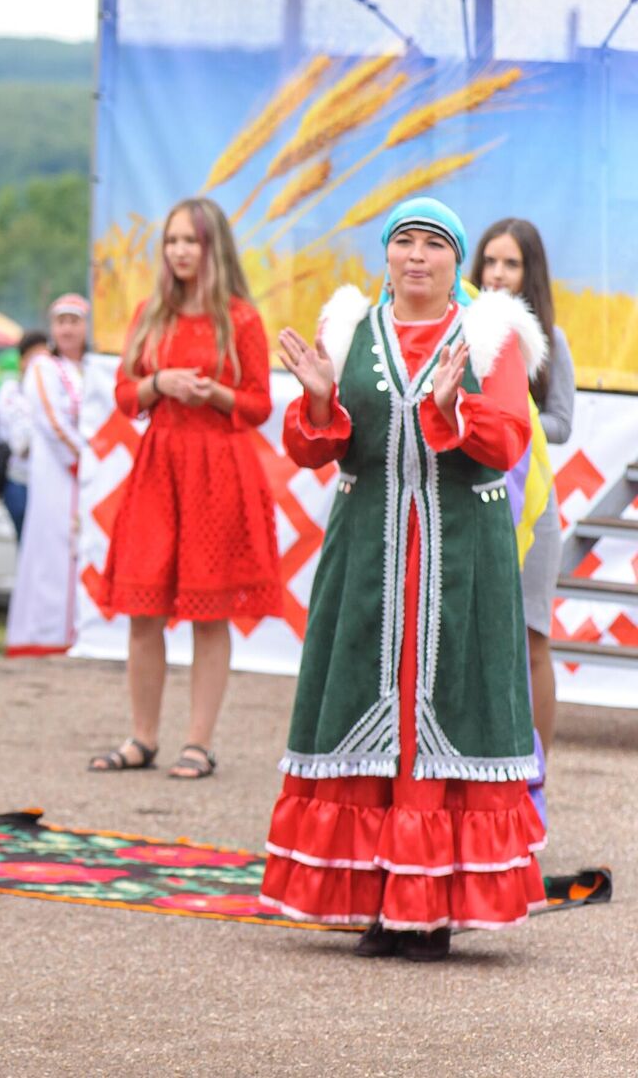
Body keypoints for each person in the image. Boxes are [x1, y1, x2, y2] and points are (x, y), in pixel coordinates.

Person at [264, 198, 547, 961]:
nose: (415, 256)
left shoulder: (491, 335)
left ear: (457, 262)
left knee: (447, 711)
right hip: (370, 553)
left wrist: (456, 407)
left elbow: (509, 442)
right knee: (367, 707)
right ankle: (375, 900)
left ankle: (433, 909)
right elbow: (315, 451)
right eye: (403, 243)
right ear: (385, 256)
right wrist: (320, 399)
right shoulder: (351, 331)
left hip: (461, 558)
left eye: (432, 245)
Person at [91, 197, 281, 779]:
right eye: (172, 240)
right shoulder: (152, 312)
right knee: (142, 607)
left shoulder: (241, 319)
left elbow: (258, 405)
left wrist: (214, 395)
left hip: (218, 471)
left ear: (212, 247)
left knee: (210, 611)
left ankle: (198, 742)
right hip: (159, 466)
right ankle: (142, 737)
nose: (178, 250)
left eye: (190, 241)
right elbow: (125, 396)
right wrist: (158, 384)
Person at [472, 218, 573, 763]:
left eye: (511, 263)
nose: (497, 274)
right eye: (490, 261)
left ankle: (534, 778)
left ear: (529, 273)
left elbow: (561, 422)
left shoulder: (548, 340)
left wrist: (515, 416)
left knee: (532, 641)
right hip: (470, 506)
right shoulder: (460, 329)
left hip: (531, 510)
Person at [7, 294, 95, 657]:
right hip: (58, 474)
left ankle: (82, 631)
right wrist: (84, 459)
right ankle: (44, 634)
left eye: (75, 321)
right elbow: (50, 418)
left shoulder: (95, 368)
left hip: (91, 477)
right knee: (52, 549)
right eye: (61, 322)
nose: (68, 329)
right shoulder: (45, 367)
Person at [0, 330, 46, 534]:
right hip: (20, 483)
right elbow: (21, 444)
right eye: (33, 358)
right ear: (22, 361)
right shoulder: (11, 390)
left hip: (49, 484)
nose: (39, 365)